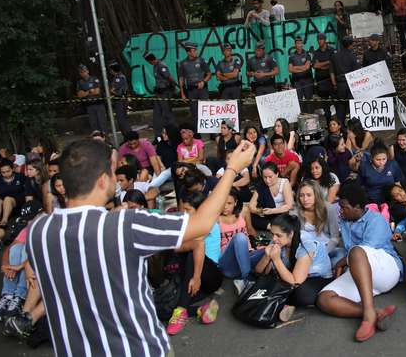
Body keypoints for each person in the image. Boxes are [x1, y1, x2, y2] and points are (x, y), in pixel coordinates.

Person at [26, 138, 255, 356]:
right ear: (103, 180)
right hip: (138, 349)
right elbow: (202, 224)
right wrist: (233, 168)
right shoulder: (125, 224)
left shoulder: (39, 231)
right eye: (113, 172)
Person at [316, 184, 402, 342]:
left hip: (386, 270)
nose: (341, 211)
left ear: (357, 207)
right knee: (324, 299)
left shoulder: (376, 220)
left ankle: (368, 316)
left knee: (356, 252)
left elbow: (363, 250)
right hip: (360, 273)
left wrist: (341, 262)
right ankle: (374, 312)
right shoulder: (346, 220)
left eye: (345, 207)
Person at [166, 190, 225, 335]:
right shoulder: (188, 224)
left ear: (199, 211)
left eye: (188, 210)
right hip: (192, 278)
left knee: (193, 251)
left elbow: (194, 245)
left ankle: (180, 312)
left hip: (210, 275)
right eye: (182, 209)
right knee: (164, 307)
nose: (184, 213)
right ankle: (200, 310)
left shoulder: (206, 225)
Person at [296, 180, 342, 265]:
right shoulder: (296, 212)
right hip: (305, 249)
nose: (305, 199)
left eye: (309, 195)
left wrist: (322, 253)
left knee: (340, 256)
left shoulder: (329, 209)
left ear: (316, 195)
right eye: (301, 196)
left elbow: (335, 238)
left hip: (326, 247)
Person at [247, 161, 294, 234]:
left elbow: (289, 206)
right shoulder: (262, 185)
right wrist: (259, 211)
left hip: (280, 214)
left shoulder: (284, 183)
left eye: (270, 177)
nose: (267, 180)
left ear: (277, 174)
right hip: (267, 215)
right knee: (250, 217)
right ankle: (272, 227)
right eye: (265, 177)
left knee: (283, 219)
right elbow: (251, 205)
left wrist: (271, 211)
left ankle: (273, 226)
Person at [178, 41, 211, 130]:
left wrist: (203, 81)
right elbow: (181, 78)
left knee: (206, 110)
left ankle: (211, 132)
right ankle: (197, 133)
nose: (196, 52)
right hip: (191, 91)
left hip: (202, 90)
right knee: (194, 112)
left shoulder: (201, 60)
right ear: (188, 52)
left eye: (196, 50)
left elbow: (209, 74)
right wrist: (182, 93)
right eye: (194, 50)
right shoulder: (183, 63)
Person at [145, 53, 177, 138]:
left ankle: (173, 133)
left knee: (167, 113)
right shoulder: (155, 66)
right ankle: (158, 135)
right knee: (157, 114)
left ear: (150, 60)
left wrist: (175, 86)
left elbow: (169, 77)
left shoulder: (161, 66)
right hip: (158, 92)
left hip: (165, 92)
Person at [331, 36, 360, 126]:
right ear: (350, 45)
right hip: (350, 86)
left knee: (340, 109)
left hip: (339, 86)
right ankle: (352, 127)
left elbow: (331, 72)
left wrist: (334, 84)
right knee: (352, 108)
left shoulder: (335, 56)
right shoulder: (352, 56)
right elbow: (357, 72)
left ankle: (341, 127)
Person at [0, 160, 29, 226]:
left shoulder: (20, 177)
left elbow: (28, 191)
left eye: (8, 171)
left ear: (12, 169)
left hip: (18, 202)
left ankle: (4, 220)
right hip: (3, 203)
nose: (6, 174)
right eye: (3, 172)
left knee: (7, 199)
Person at [76, 64, 107, 134]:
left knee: (102, 125)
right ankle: (97, 142)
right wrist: (89, 91)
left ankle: (107, 142)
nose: (83, 73)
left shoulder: (94, 79)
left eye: (84, 71)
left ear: (87, 71)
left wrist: (85, 92)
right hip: (89, 105)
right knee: (94, 126)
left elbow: (97, 92)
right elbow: (79, 95)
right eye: (81, 72)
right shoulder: (80, 82)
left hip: (98, 104)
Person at [312, 33, 335, 104]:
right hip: (321, 81)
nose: (319, 41)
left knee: (336, 100)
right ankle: (327, 115)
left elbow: (334, 63)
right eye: (318, 39)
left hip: (331, 80)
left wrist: (321, 65)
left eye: (321, 39)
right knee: (325, 103)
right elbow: (315, 65)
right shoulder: (316, 52)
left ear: (325, 40)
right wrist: (328, 62)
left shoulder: (331, 50)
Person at [108, 61, 131, 135]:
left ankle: (128, 136)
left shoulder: (119, 77)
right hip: (120, 101)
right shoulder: (118, 77)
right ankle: (126, 136)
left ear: (113, 69)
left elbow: (119, 92)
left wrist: (112, 91)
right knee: (122, 120)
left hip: (120, 101)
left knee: (122, 120)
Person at [288, 36, 313, 101]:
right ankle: (301, 112)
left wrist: (295, 67)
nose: (299, 45)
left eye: (300, 43)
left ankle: (309, 111)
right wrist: (302, 68)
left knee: (309, 100)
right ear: (295, 45)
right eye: (297, 43)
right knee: (299, 100)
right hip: (297, 81)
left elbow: (307, 67)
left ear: (302, 44)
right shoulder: (292, 56)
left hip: (307, 80)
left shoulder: (307, 54)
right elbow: (290, 69)